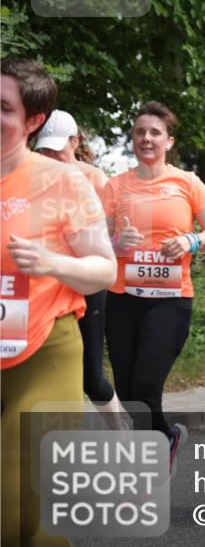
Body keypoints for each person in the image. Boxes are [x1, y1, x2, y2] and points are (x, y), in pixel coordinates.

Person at [2, 58, 117, 547]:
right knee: (15, 528)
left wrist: (52, 262)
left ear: (33, 120)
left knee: (8, 507)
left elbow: (103, 269)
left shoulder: (63, 182)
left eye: (3, 107)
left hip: (43, 350)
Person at [102, 101, 205, 473]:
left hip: (170, 300)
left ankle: (149, 462)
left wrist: (191, 241)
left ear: (169, 141)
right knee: (126, 389)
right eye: (140, 132)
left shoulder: (187, 182)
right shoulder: (115, 185)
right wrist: (115, 244)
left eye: (155, 132)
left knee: (146, 382)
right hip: (122, 297)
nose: (146, 138)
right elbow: (93, 240)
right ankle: (165, 437)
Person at [33, 110, 127, 429]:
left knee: (91, 377)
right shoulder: (32, 177)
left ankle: (122, 432)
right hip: (46, 286)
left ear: (74, 142)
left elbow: (111, 237)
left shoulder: (94, 179)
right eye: (44, 148)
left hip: (87, 285)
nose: (50, 155)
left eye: (56, 148)